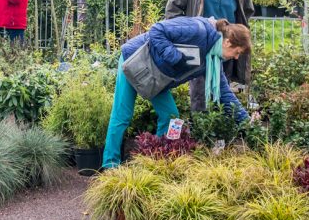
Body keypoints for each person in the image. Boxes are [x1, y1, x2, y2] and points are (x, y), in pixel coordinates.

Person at [102, 17, 251, 169]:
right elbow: (157, 30)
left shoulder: (212, 60)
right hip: (135, 61)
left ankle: (155, 161)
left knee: (170, 116)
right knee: (122, 115)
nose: (237, 57)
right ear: (228, 42)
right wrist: (173, 56)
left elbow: (224, 94)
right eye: (237, 52)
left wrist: (248, 123)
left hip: (157, 77)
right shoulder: (198, 30)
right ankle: (110, 165)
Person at [165, 0, 254, 111]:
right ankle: (201, 128)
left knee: (223, 88)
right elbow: (173, 11)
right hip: (202, 44)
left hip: (228, 44)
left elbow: (246, 11)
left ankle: (222, 129)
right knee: (200, 91)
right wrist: (188, 35)